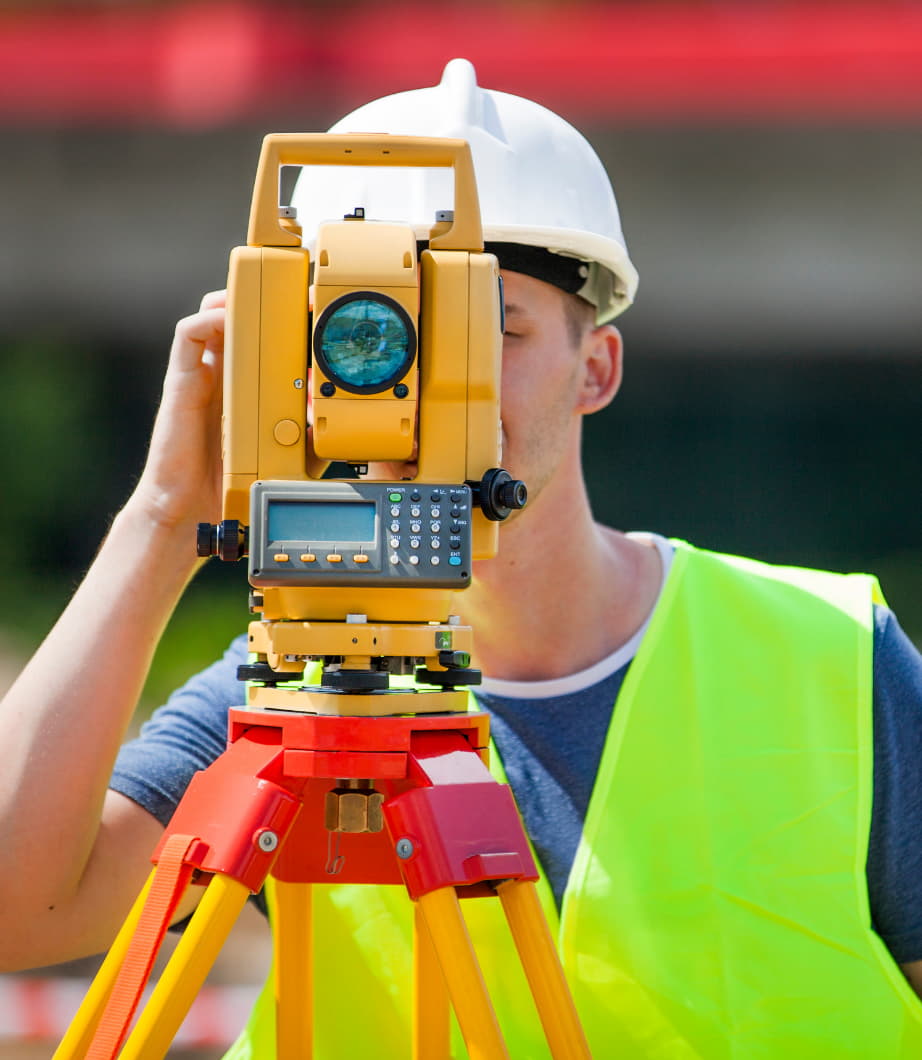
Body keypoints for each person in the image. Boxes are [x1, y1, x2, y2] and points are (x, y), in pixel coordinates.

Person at [2, 57, 922, 1057]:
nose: (440, 389)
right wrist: (165, 516)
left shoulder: (831, 657)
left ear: (595, 367)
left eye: (494, 329)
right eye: (381, 335)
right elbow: (20, 910)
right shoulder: (285, 701)